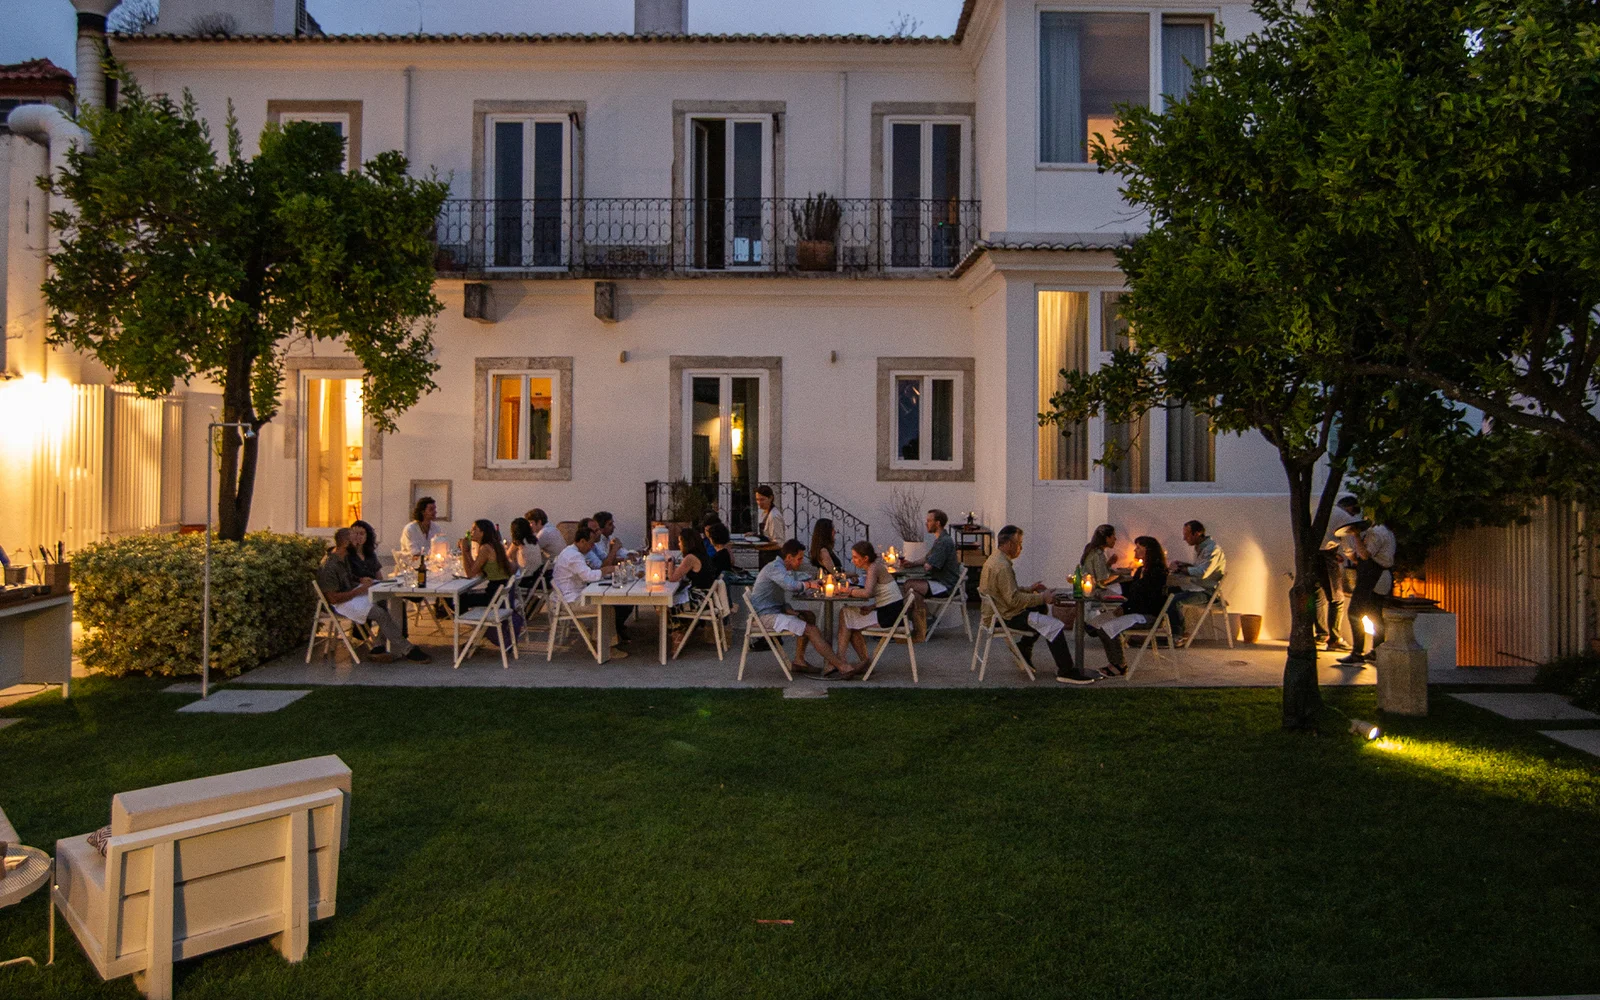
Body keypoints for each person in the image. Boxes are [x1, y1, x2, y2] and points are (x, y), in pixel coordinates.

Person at [978, 525, 1100, 684]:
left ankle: (1024, 647)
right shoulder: (1003, 566)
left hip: (998, 612)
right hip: (1004, 617)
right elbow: (1013, 600)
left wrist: (1031, 590)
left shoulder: (995, 559)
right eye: (1019, 543)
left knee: (1040, 608)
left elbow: (1005, 591)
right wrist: (1043, 597)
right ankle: (1066, 671)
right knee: (1054, 625)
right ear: (1008, 544)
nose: (1021, 548)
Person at [316, 528, 430, 663]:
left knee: (385, 599)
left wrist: (360, 580)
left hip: (351, 593)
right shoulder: (329, 566)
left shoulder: (342, 556)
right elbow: (333, 598)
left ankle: (378, 646)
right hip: (340, 603)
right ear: (347, 543)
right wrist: (359, 590)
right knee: (379, 613)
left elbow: (346, 577)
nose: (358, 542)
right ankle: (408, 649)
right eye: (355, 540)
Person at [748, 540, 852, 677]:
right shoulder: (774, 568)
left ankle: (799, 661)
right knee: (812, 630)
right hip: (764, 617)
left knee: (809, 616)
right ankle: (841, 666)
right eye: (799, 558)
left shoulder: (780, 568)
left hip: (773, 611)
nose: (800, 562)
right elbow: (790, 586)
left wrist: (788, 606)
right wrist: (809, 584)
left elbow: (780, 592)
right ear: (789, 557)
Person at [835, 541, 907, 674]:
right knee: (849, 618)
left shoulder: (873, 568)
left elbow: (868, 592)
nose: (853, 560)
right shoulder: (875, 567)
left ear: (865, 558)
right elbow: (885, 594)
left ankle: (840, 661)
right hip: (892, 612)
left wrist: (847, 591)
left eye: (856, 557)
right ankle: (857, 661)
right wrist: (871, 607)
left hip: (889, 618)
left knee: (845, 614)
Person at [1338, 514, 1396, 665]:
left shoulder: (1376, 533)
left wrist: (1355, 536)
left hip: (1373, 578)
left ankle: (1358, 652)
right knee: (1375, 615)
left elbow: (1364, 555)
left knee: (1354, 613)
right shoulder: (1386, 532)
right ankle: (1376, 651)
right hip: (1380, 576)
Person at [904, 509, 961, 642]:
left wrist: (926, 564)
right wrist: (912, 564)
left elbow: (930, 565)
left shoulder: (944, 542)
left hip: (946, 585)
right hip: (940, 581)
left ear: (938, 523)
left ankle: (903, 622)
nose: (926, 523)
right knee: (915, 594)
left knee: (909, 584)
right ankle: (924, 623)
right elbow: (927, 558)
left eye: (929, 521)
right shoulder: (940, 540)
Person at [1315, 496, 1361, 652]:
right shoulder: (1345, 518)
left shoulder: (1325, 510)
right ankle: (1334, 639)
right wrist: (1356, 561)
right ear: (1350, 507)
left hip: (1312, 555)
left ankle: (1321, 635)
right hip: (1326, 556)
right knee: (1337, 598)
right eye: (1355, 511)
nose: (1354, 516)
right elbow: (1349, 548)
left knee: (1317, 597)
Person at [1167, 520, 1227, 640]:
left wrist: (1180, 568)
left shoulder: (1212, 549)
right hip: (1197, 587)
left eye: (1187, 535)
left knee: (1174, 601)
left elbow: (1203, 572)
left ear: (1198, 533)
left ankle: (1178, 636)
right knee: (1166, 592)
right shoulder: (1201, 548)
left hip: (1207, 591)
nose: (1184, 538)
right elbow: (1199, 568)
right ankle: (1170, 631)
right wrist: (1184, 565)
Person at [586, 514, 631, 642]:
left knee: (627, 599)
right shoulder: (586, 549)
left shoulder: (594, 546)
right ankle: (609, 640)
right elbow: (604, 566)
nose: (598, 533)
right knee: (620, 603)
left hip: (596, 582)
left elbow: (607, 561)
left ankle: (616, 629)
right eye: (595, 531)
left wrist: (622, 557)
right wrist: (614, 550)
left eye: (598, 530)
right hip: (587, 590)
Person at [458, 519, 513, 611]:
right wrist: (467, 551)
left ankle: (466, 620)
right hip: (500, 591)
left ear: (482, 533)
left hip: (493, 595)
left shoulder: (485, 548)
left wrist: (464, 550)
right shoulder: (494, 544)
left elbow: (470, 574)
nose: (471, 532)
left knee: (458, 597)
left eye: (474, 529)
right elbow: (475, 569)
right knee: (463, 594)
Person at [1077, 524, 1123, 591]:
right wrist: (1119, 577)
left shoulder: (1092, 550)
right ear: (1107, 538)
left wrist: (1109, 564)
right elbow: (1101, 579)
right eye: (1113, 536)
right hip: (1095, 592)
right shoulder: (1098, 554)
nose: (1115, 539)